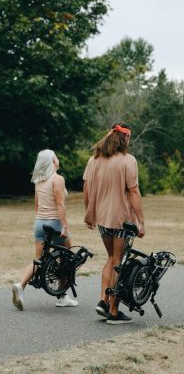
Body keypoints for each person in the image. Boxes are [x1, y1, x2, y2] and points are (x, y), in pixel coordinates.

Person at [83, 122, 144, 325]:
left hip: (102, 219)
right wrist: (141, 222)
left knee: (111, 257)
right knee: (119, 262)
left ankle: (103, 300)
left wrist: (89, 213)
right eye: (129, 137)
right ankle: (114, 311)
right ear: (124, 138)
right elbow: (134, 192)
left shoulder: (94, 159)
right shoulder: (128, 160)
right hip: (122, 220)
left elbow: (86, 188)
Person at [11, 149, 77, 310]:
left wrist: (41, 220)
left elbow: (37, 204)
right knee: (68, 258)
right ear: (53, 160)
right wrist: (65, 226)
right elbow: (60, 205)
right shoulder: (57, 179)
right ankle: (62, 296)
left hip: (39, 222)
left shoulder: (38, 180)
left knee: (39, 258)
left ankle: (21, 286)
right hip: (54, 222)